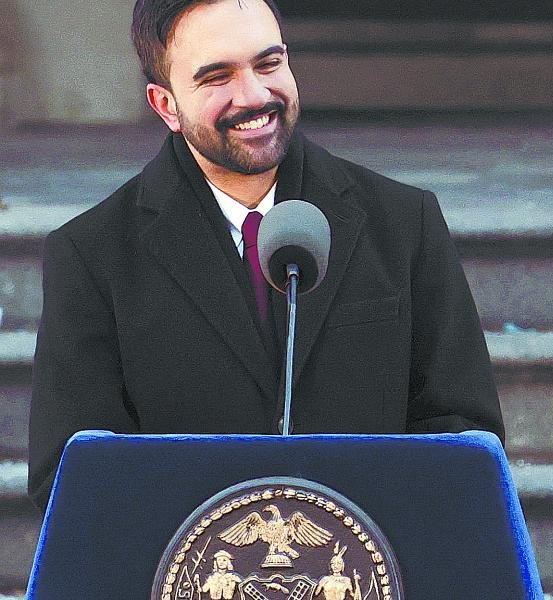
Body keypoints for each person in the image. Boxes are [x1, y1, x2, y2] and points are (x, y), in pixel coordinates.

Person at [27, 0, 503, 509]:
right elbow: (70, 476)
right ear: (165, 105)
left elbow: (465, 436)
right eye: (217, 77)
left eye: (268, 63)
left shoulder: (405, 222)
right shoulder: (91, 255)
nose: (254, 96)